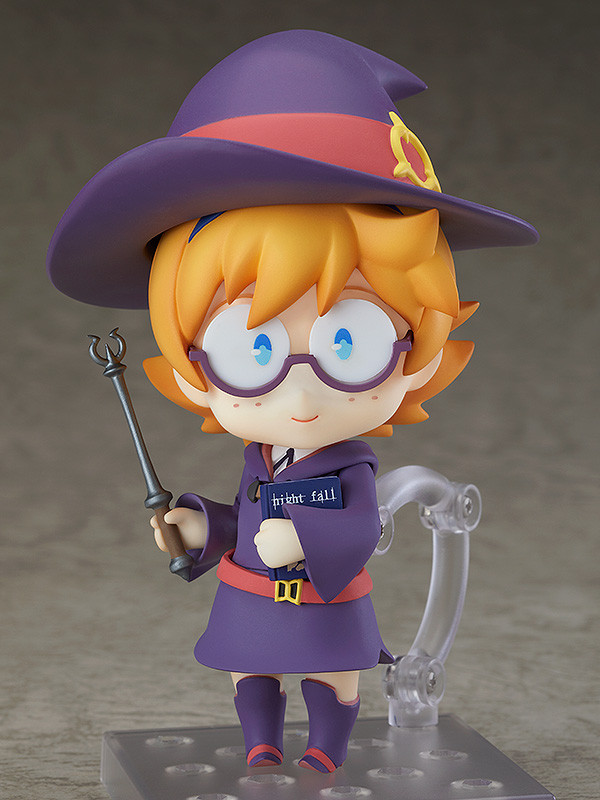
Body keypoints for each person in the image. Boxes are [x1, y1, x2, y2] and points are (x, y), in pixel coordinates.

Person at [46, 31, 537, 772]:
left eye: (352, 342)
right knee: (251, 674)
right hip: (250, 598)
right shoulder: (260, 457)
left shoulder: (351, 466)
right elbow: (243, 517)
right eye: (252, 349)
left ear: (419, 354)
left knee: (333, 678)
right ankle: (262, 744)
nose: (300, 388)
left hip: (327, 605)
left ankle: (327, 754)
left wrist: (305, 538)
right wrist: (200, 527)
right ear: (191, 366)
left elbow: (362, 525)